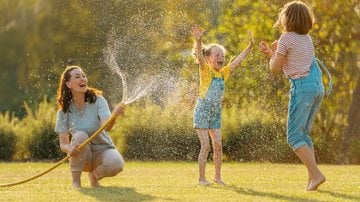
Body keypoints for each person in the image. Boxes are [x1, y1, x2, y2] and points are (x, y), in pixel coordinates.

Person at [259, 1, 326, 191]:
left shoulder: (286, 38)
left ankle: (316, 174)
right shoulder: (307, 39)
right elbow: (291, 63)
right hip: (316, 87)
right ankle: (312, 179)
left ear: (287, 19)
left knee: (294, 137)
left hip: (302, 88)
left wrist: (273, 53)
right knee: (303, 134)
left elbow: (274, 68)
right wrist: (273, 52)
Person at [192, 25, 254, 186]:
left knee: (218, 145)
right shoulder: (205, 70)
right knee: (205, 146)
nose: (221, 57)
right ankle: (201, 179)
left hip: (215, 113)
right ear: (209, 59)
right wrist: (199, 41)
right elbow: (199, 57)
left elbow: (238, 61)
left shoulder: (224, 72)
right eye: (217, 55)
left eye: (223, 56)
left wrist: (249, 47)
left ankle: (218, 178)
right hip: (202, 112)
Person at [55, 65, 125, 188]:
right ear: (68, 84)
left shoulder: (99, 100)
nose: (83, 79)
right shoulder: (63, 112)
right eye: (77, 77)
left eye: (84, 76)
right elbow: (63, 143)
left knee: (117, 164)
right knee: (80, 135)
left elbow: (107, 127)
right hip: (82, 157)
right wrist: (69, 148)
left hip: (103, 149)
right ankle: (76, 181)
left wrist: (114, 116)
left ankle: (94, 175)